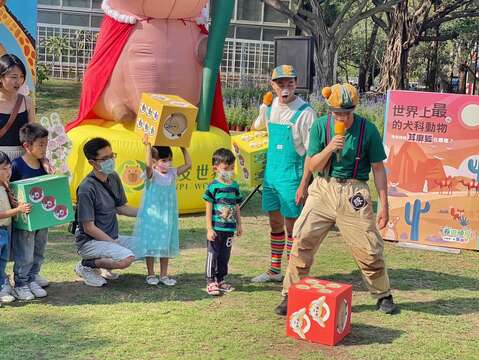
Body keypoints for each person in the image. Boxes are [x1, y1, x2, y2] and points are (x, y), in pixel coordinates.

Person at [275, 84, 396, 315]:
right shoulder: (321, 126)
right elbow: (312, 164)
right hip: (323, 187)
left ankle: (383, 294)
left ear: (353, 110)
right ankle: (290, 294)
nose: (341, 117)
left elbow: (378, 169)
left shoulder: (367, 130)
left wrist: (384, 205)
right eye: (337, 113)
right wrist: (330, 148)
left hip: (354, 191)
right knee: (302, 240)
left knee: (369, 249)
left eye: (346, 113)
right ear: (330, 111)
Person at [251, 65, 316, 283]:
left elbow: (311, 153)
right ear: (273, 85)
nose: (285, 88)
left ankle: (292, 272)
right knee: (275, 224)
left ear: (296, 83)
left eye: (289, 83)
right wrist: (263, 108)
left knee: (292, 226)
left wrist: (303, 185)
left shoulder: (305, 112)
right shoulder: (270, 109)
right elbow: (255, 129)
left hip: (292, 177)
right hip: (271, 177)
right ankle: (274, 269)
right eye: (280, 84)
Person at [74, 137, 138, 287]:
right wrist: (113, 243)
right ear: (92, 162)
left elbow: (121, 207)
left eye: (111, 156)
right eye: (104, 158)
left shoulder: (113, 177)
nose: (110, 161)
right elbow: (88, 227)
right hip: (89, 242)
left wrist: (146, 212)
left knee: (147, 246)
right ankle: (86, 265)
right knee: (126, 259)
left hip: (111, 237)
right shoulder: (86, 188)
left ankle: (105, 266)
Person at [131, 136, 192, 286]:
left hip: (167, 216)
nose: (168, 163)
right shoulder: (152, 175)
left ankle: (164, 275)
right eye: (163, 160)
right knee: (151, 245)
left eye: (169, 160)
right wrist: (148, 147)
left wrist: (183, 147)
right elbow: (147, 167)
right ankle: (151, 274)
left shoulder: (172, 173)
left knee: (165, 244)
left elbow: (189, 164)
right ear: (154, 161)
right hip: (152, 216)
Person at [11, 123, 50, 300]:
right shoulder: (16, 166)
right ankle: (21, 283)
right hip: (25, 219)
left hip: (43, 218)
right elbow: (10, 190)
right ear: (27, 146)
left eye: (46, 144)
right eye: (40, 144)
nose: (44, 148)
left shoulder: (44, 165)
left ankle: (33, 277)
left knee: (39, 249)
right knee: (25, 251)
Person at [203, 148, 242, 296]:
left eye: (232, 168)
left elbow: (237, 206)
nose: (229, 171)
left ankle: (221, 279)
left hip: (229, 230)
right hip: (216, 229)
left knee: (225, 255)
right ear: (216, 167)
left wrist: (239, 224)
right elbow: (208, 208)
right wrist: (209, 228)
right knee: (213, 253)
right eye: (226, 168)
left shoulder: (234, 186)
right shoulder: (213, 186)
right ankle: (210, 280)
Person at [0, 151, 31, 305]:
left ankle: (2, 289)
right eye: (3, 169)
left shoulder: (6, 185)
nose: (8, 172)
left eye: (9, 168)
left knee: (2, 262)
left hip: (5, 231)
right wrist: (18, 210)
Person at [0, 54, 35, 161]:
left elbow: (33, 136)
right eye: (14, 77)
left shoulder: (27, 102)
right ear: (1, 78)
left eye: (21, 76)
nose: (18, 81)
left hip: (22, 160)